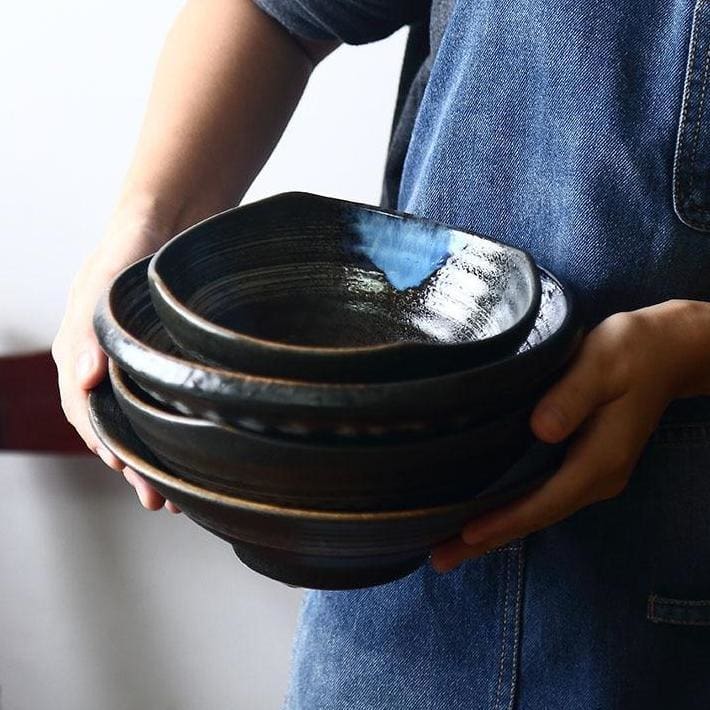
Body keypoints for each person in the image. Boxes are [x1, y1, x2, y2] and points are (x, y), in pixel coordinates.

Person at [53, 0, 710, 707]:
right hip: (391, 595)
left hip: (659, 616)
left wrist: (689, 348)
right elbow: (272, 14)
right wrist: (146, 220)